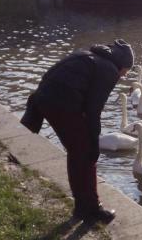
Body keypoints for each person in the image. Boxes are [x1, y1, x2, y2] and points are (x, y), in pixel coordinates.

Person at [21, 39, 134, 223]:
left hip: (43, 99)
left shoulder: (87, 56)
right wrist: (94, 142)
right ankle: (91, 209)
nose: (123, 76)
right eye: (126, 72)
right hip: (61, 104)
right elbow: (93, 110)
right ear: (122, 65)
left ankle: (82, 206)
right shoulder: (109, 70)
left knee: (77, 153)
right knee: (85, 154)